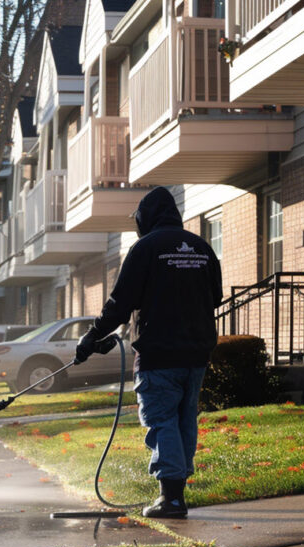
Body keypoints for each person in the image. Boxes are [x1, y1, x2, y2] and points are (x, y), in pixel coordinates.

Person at [75, 186, 222, 518]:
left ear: (145, 219)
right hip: (197, 354)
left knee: (161, 420)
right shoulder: (202, 247)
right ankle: (176, 494)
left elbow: (118, 305)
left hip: (158, 354)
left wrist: (91, 337)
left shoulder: (145, 249)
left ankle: (170, 499)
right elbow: (215, 297)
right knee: (184, 421)